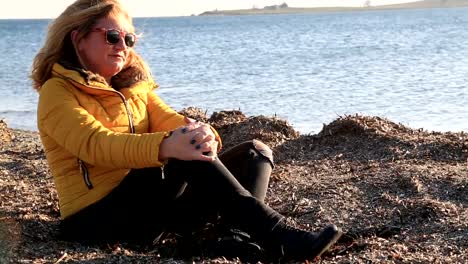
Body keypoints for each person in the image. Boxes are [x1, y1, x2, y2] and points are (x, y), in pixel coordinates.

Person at [31, 0, 342, 261]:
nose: (122, 46)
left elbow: (169, 119)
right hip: (95, 218)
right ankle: (274, 230)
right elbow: (96, 144)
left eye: (129, 39)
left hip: (151, 209)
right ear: (77, 39)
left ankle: (236, 237)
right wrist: (168, 146)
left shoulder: (132, 87)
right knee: (179, 154)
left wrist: (202, 133)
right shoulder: (57, 91)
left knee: (254, 152)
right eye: (112, 36)